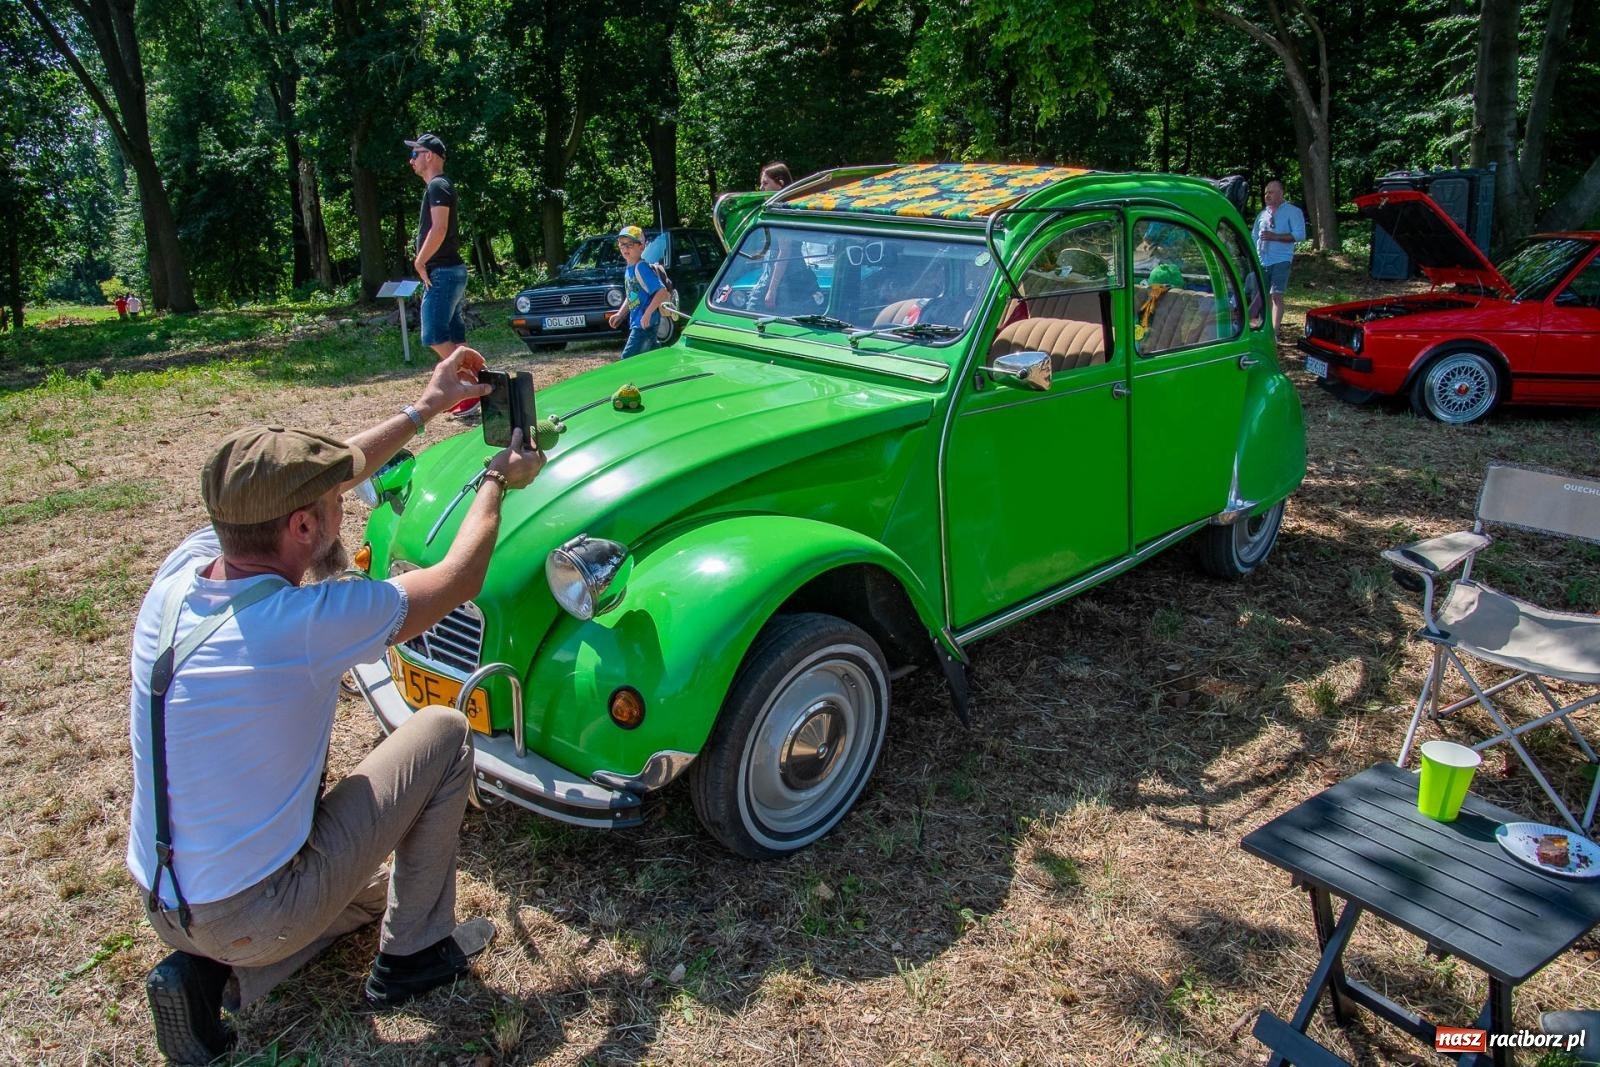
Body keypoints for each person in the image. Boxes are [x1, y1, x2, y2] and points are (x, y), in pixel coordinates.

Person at [129, 345, 544, 1064]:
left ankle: (212, 974)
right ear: (299, 528)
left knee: (366, 892)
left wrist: (426, 404)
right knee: (444, 733)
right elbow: (458, 578)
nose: (343, 497)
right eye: (329, 501)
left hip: (166, 899)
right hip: (253, 907)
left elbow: (342, 466)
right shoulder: (303, 625)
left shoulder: (184, 566)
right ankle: (415, 956)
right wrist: (494, 480)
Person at [406, 133, 474, 417]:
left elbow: (439, 229)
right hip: (449, 271)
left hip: (443, 272)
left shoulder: (438, 185)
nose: (411, 160)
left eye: (415, 154)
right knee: (454, 336)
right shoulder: (438, 186)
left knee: (433, 335)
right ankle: (470, 393)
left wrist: (420, 261)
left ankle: (474, 386)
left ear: (429, 156)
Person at [606, 224, 670, 358]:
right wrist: (620, 314)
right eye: (621, 244)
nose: (625, 248)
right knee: (652, 358)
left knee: (628, 359)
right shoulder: (629, 269)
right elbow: (632, 296)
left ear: (641, 246)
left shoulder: (642, 268)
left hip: (644, 325)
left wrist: (647, 313)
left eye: (629, 244)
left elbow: (661, 292)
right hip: (639, 323)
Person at [1252, 179, 1305, 335]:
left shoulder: (1293, 212)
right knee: (1262, 295)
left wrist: (1275, 237)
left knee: (1276, 295)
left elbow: (1300, 235)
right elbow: (1254, 236)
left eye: (1271, 192)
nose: (1267, 195)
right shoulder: (1262, 214)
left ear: (1281, 193)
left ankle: (1274, 332)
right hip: (1262, 260)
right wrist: (1253, 254)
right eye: (1266, 192)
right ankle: (1264, 327)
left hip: (1281, 259)